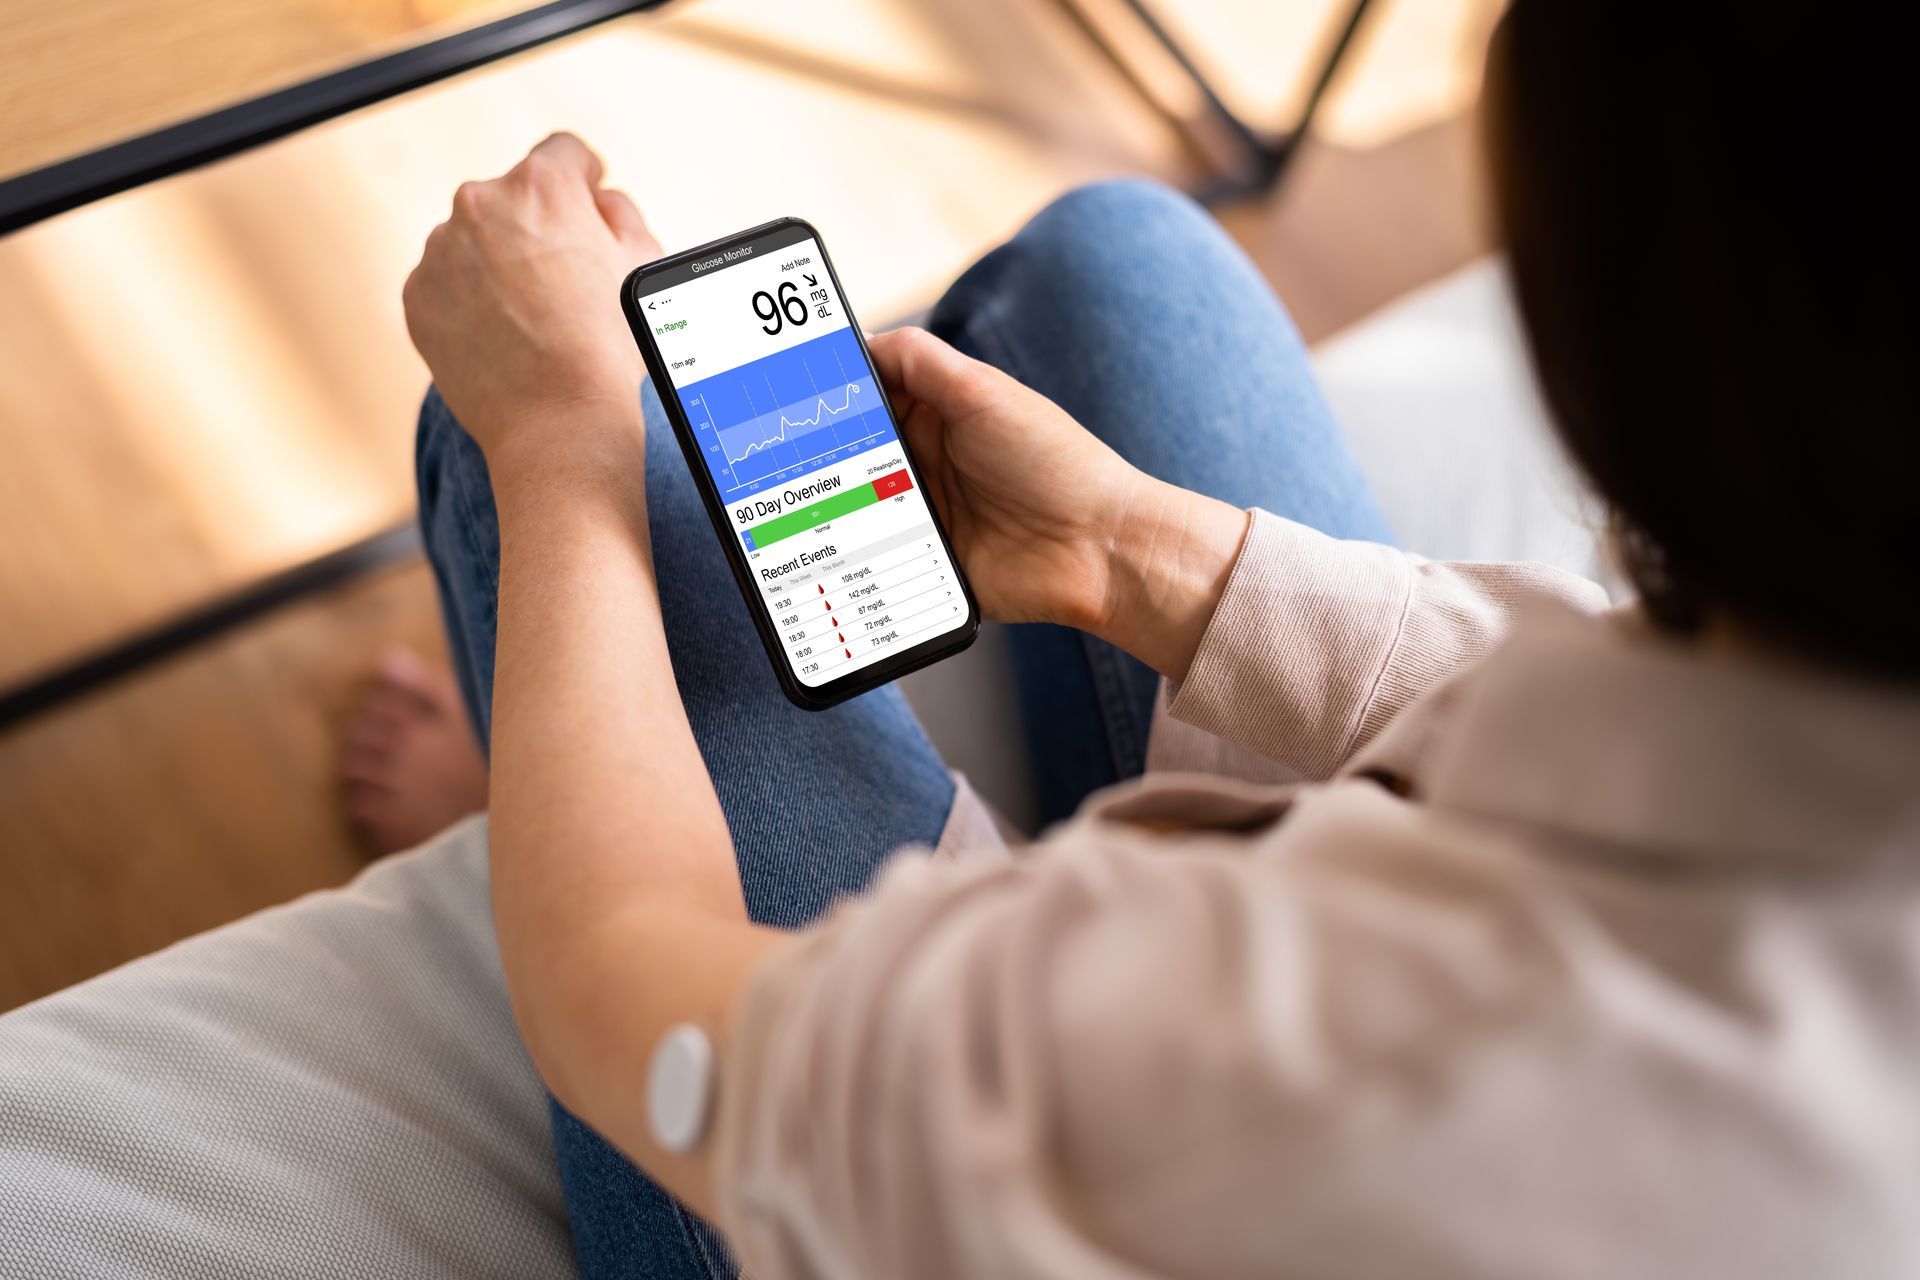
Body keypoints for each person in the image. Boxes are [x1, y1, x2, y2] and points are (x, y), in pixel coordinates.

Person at [368, 3, 1920, 1276]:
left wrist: (557, 436)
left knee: (618, 476)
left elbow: (622, 993)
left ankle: (532, 795)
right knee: (1118, 261)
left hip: (1096, 1132)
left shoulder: (1358, 1073)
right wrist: (1129, 553)